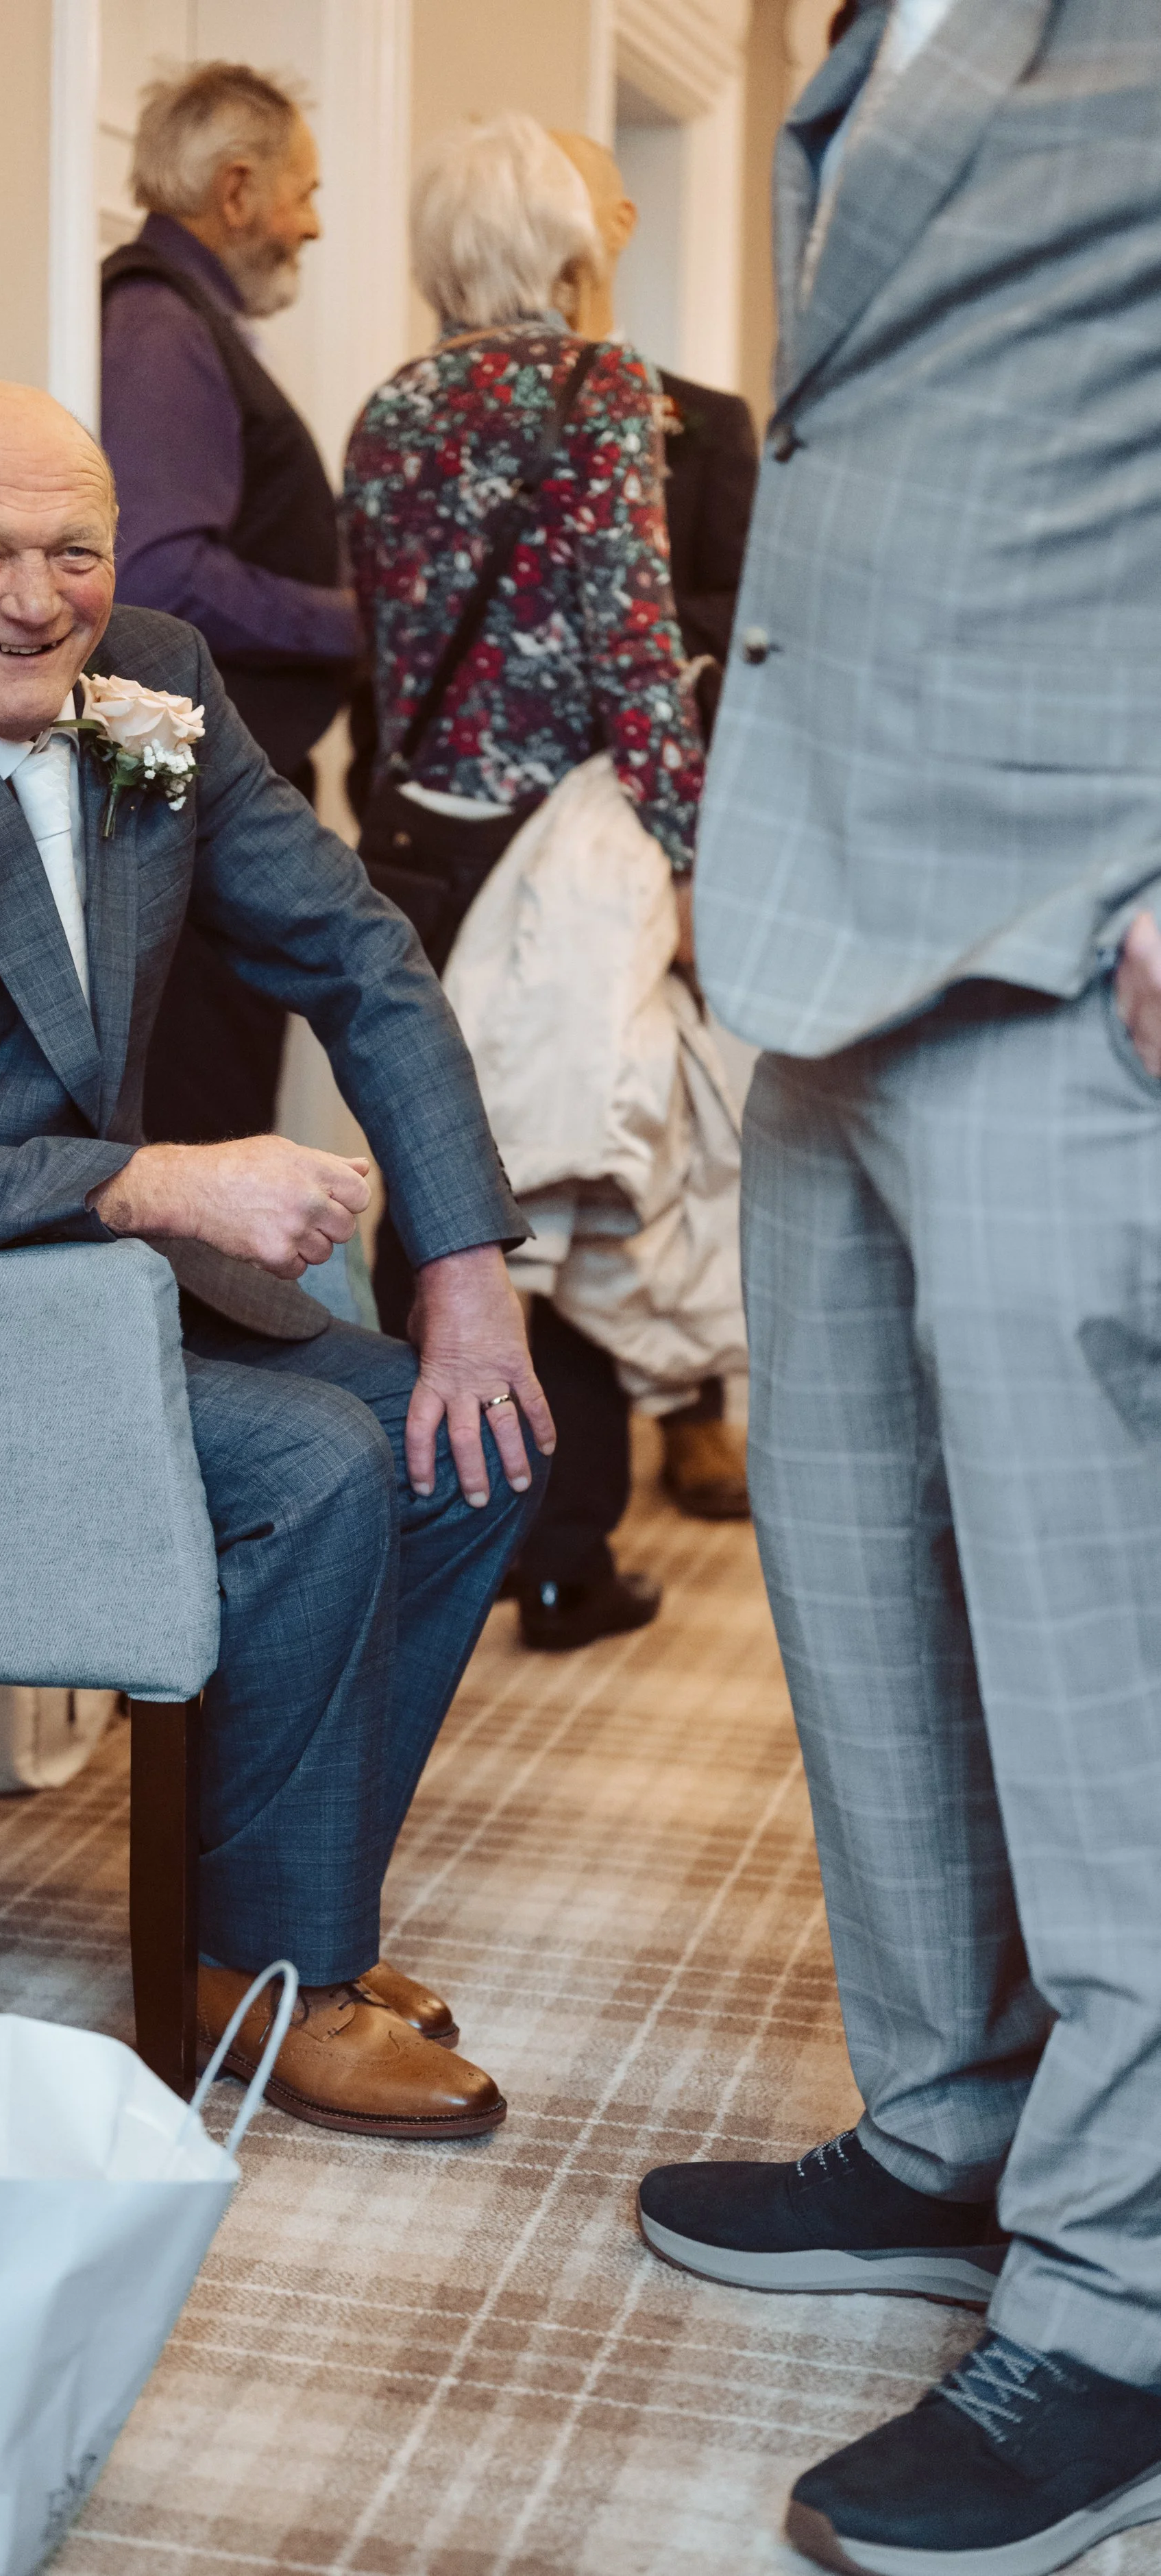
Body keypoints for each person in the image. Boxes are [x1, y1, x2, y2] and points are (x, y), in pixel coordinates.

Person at [0, 378, 554, 2141]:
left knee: (461, 1435)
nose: (34, 596)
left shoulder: (148, 681)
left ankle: (259, 1924)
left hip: (82, 1296)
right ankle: (269, 1966)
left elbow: (358, 953)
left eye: (73, 548)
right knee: (320, 1465)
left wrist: (460, 1263)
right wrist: (160, 1181)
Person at [635, 5, 1161, 2571]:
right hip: (819, 916)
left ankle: (1129, 2290)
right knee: (859, 1600)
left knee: (1103, 1672)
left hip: (1079, 934)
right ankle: (957, 2124)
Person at [343, 115, 717, 1654]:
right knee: (556, 1176)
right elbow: (631, 643)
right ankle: (558, 1556)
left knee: (425, 1187)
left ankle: (439, 1527)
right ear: (565, 251)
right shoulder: (598, 388)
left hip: (412, 849)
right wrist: (686, 854)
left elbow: (383, 647)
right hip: (555, 852)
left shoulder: (384, 410)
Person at [551, 126, 758, 1524]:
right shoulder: (464, 412)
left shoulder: (704, 423)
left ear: (618, 219)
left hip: (661, 808)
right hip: (520, 835)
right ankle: (563, 1466)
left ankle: (691, 1400)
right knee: (566, 1117)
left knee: (676, 1113)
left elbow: (741, 631)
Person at [100, 63, 359, 1153]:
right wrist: (360, 623)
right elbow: (160, 575)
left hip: (188, 790)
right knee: (211, 1129)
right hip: (183, 799)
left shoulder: (183, 321)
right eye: (304, 191)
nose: (312, 225)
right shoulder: (162, 326)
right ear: (239, 189)